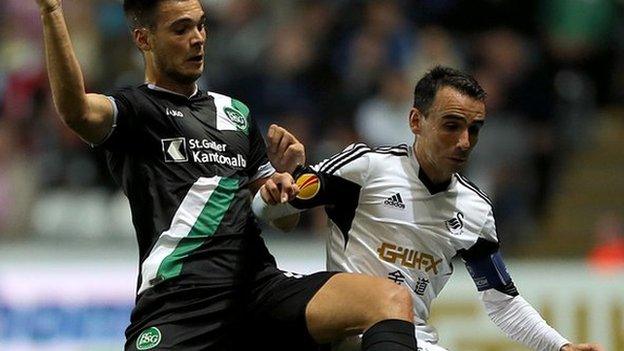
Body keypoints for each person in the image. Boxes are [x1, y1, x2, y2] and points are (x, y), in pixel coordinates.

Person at [34, 0, 421, 350]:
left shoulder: (235, 113)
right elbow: (76, 111)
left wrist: (285, 184)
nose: (198, 39)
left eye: (201, 26)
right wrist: (52, 11)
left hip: (258, 288)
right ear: (143, 39)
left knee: (390, 300)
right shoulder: (136, 110)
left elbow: (284, 221)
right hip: (180, 302)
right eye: (181, 29)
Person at [253, 66, 604, 351]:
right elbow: (277, 212)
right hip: (350, 333)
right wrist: (272, 193)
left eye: (474, 130)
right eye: (452, 126)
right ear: (416, 122)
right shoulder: (366, 168)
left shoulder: (475, 210)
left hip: (413, 340)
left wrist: (560, 346)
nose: (464, 142)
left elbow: (503, 302)